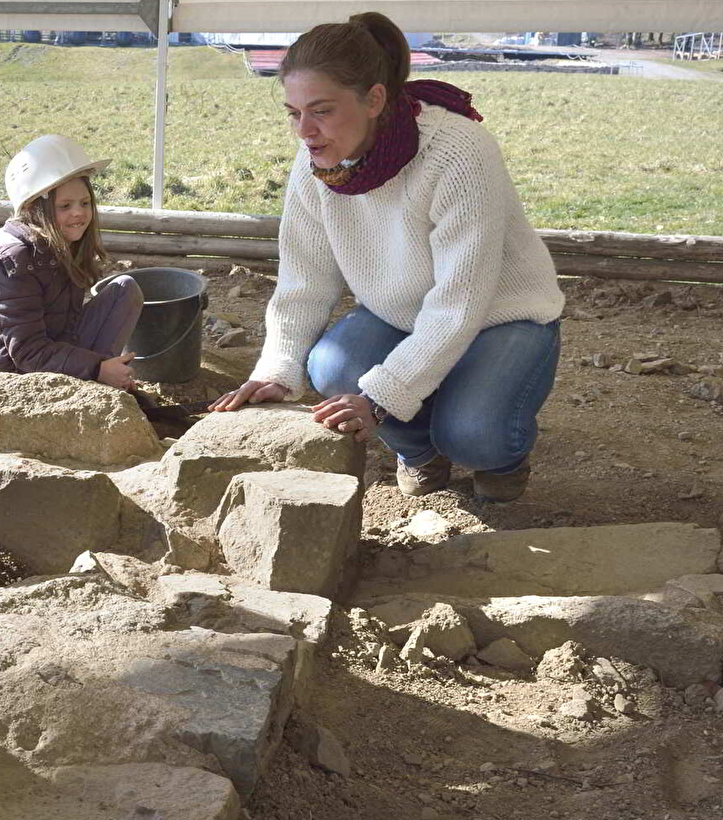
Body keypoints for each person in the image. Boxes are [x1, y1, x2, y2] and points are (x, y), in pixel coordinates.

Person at [211, 12, 563, 502]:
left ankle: (500, 457)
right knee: (332, 368)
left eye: (322, 110)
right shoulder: (317, 163)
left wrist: (379, 399)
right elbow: (304, 283)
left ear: (374, 99)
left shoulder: (458, 152)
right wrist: (276, 370)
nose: (305, 132)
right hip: (402, 314)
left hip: (502, 316)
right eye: (294, 113)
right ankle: (420, 452)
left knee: (474, 434)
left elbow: (459, 304)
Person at [0, 134, 145, 391]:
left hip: (50, 353)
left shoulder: (60, 244)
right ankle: (99, 386)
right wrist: (98, 368)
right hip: (8, 376)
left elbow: (64, 325)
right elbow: (27, 351)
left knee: (124, 289)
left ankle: (102, 388)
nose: (78, 212)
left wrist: (98, 367)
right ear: (34, 209)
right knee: (100, 368)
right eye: (65, 206)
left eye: (84, 203)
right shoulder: (12, 262)